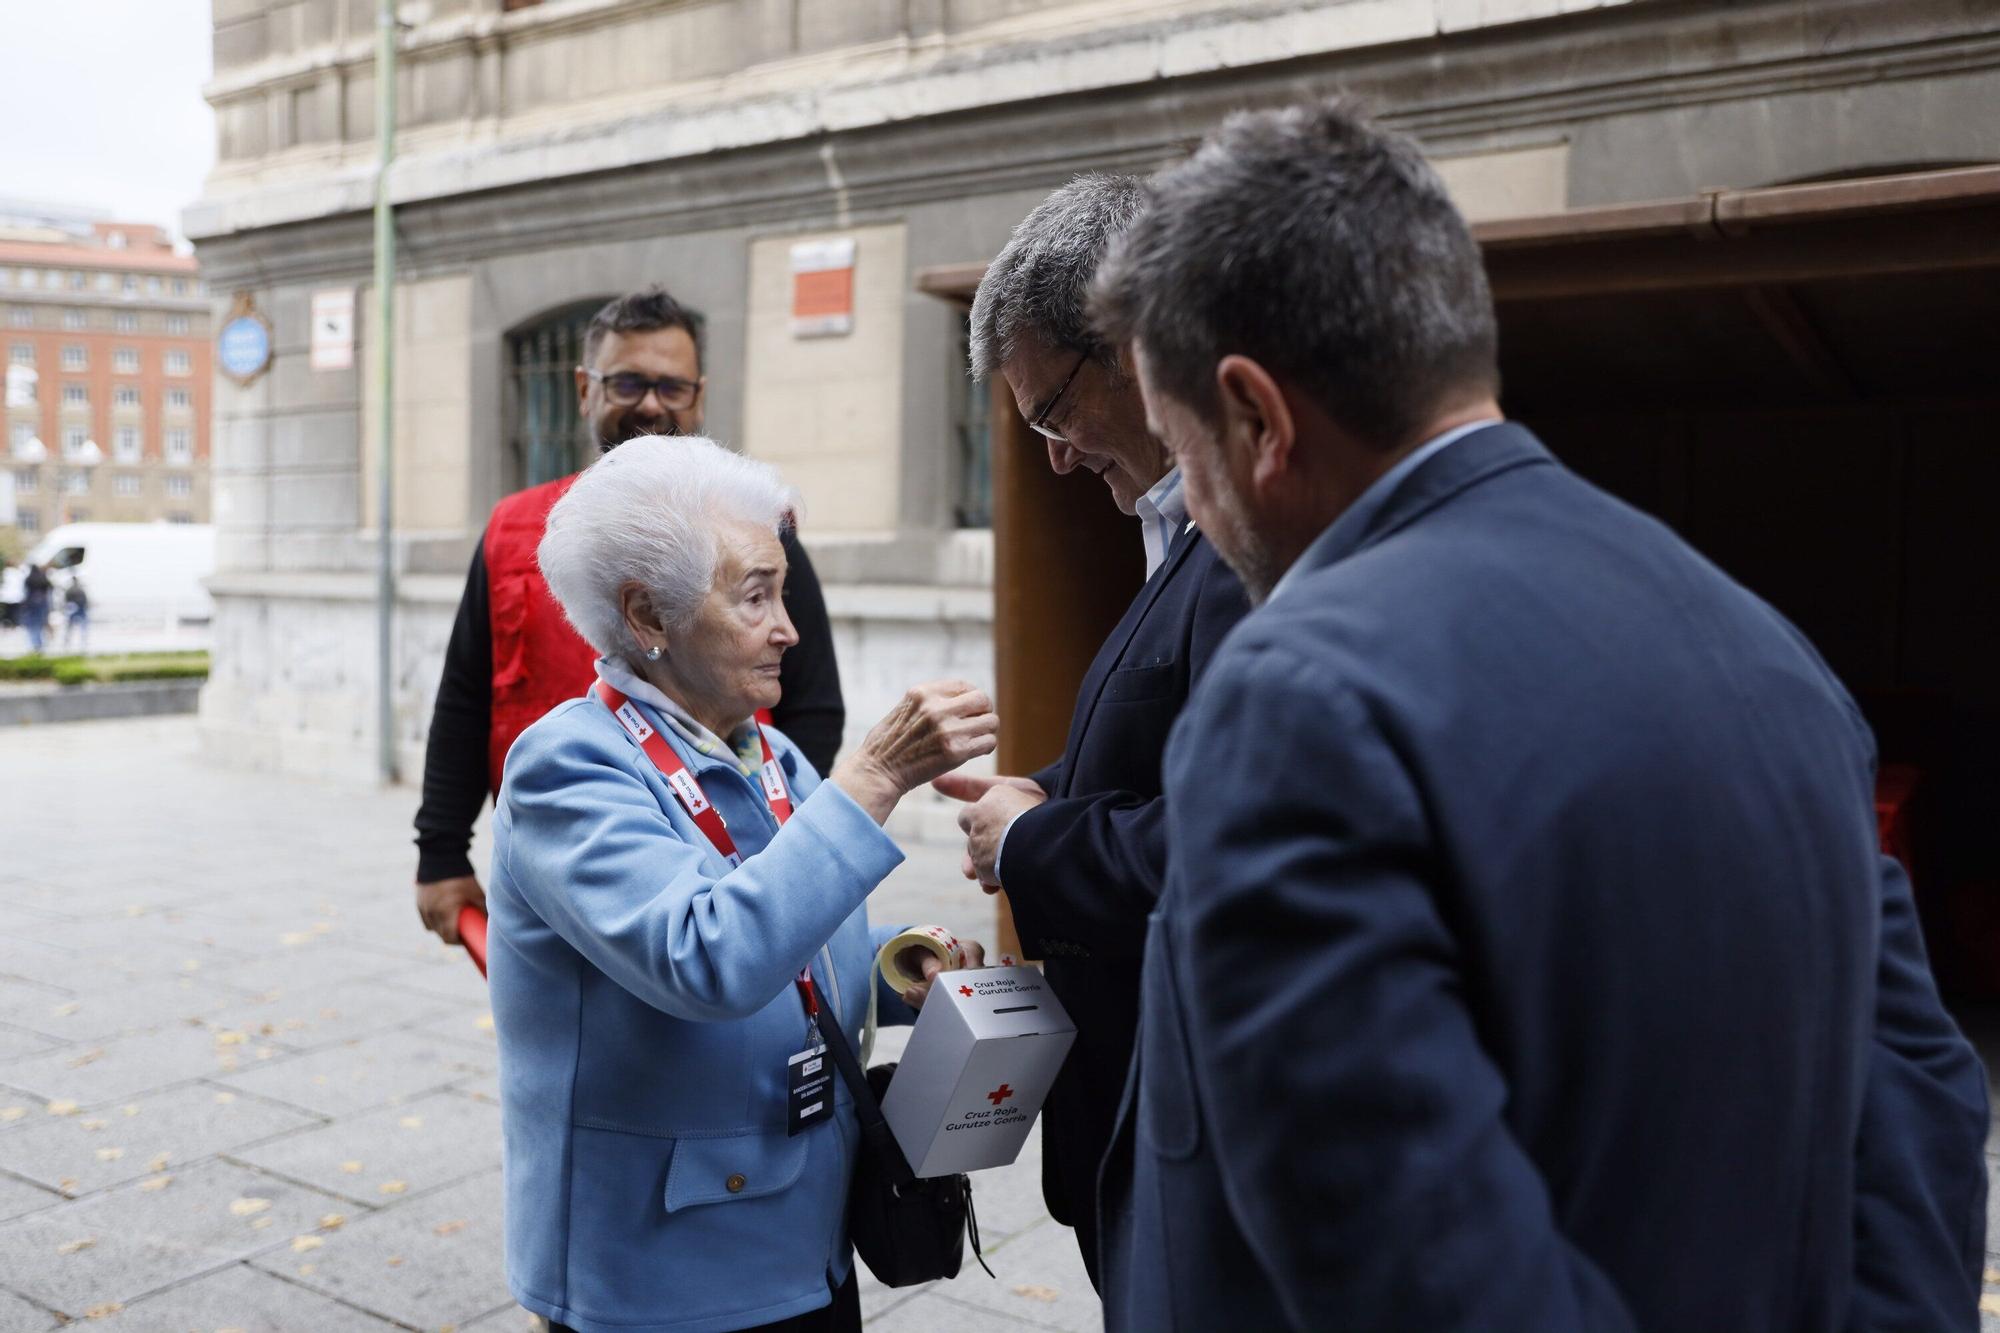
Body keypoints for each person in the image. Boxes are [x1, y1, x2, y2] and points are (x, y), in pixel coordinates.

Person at [1087, 100, 1989, 1331]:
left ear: (1253, 418)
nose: (1184, 493)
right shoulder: (1763, 649)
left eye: (1172, 442)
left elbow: (1412, 1274)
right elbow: (1917, 1106)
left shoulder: (1300, 698)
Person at [489, 435, 994, 1333]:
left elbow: (797, 940)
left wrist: (896, 964)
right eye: (756, 593)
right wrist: (873, 778)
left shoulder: (769, 750)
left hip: (804, 1237)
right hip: (662, 1270)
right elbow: (706, 955)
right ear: (648, 614)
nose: (789, 627)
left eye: (783, 590)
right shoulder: (566, 766)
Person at [932, 174, 1248, 1287]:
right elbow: (1163, 738)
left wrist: (1032, 841)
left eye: (1053, 412)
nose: (1055, 456)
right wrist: (1031, 790)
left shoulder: (1253, 543)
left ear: (1130, 344)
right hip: (1139, 1131)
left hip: (1201, 1145)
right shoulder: (1178, 524)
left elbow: (1232, 845)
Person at [413, 286, 845, 946]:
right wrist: (440, 851)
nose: (651, 403)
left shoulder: (756, 529)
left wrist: (774, 837)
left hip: (718, 863)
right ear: (585, 388)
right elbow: (468, 696)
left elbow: (812, 704)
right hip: (561, 866)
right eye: (629, 382)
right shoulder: (512, 530)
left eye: (672, 386)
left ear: (698, 395)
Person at [19, 562, 51, 655]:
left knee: (32, 625)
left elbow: (25, 593)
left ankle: (35, 644)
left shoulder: (28, 579)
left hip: (31, 604)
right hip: (42, 603)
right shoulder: (43, 578)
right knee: (41, 624)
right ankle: (40, 644)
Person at [60, 573, 88, 653]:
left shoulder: (69, 589)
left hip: (72, 609)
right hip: (80, 608)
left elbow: (66, 600)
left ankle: (67, 641)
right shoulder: (80, 589)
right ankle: (83, 641)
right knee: (83, 626)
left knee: (69, 627)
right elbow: (85, 600)